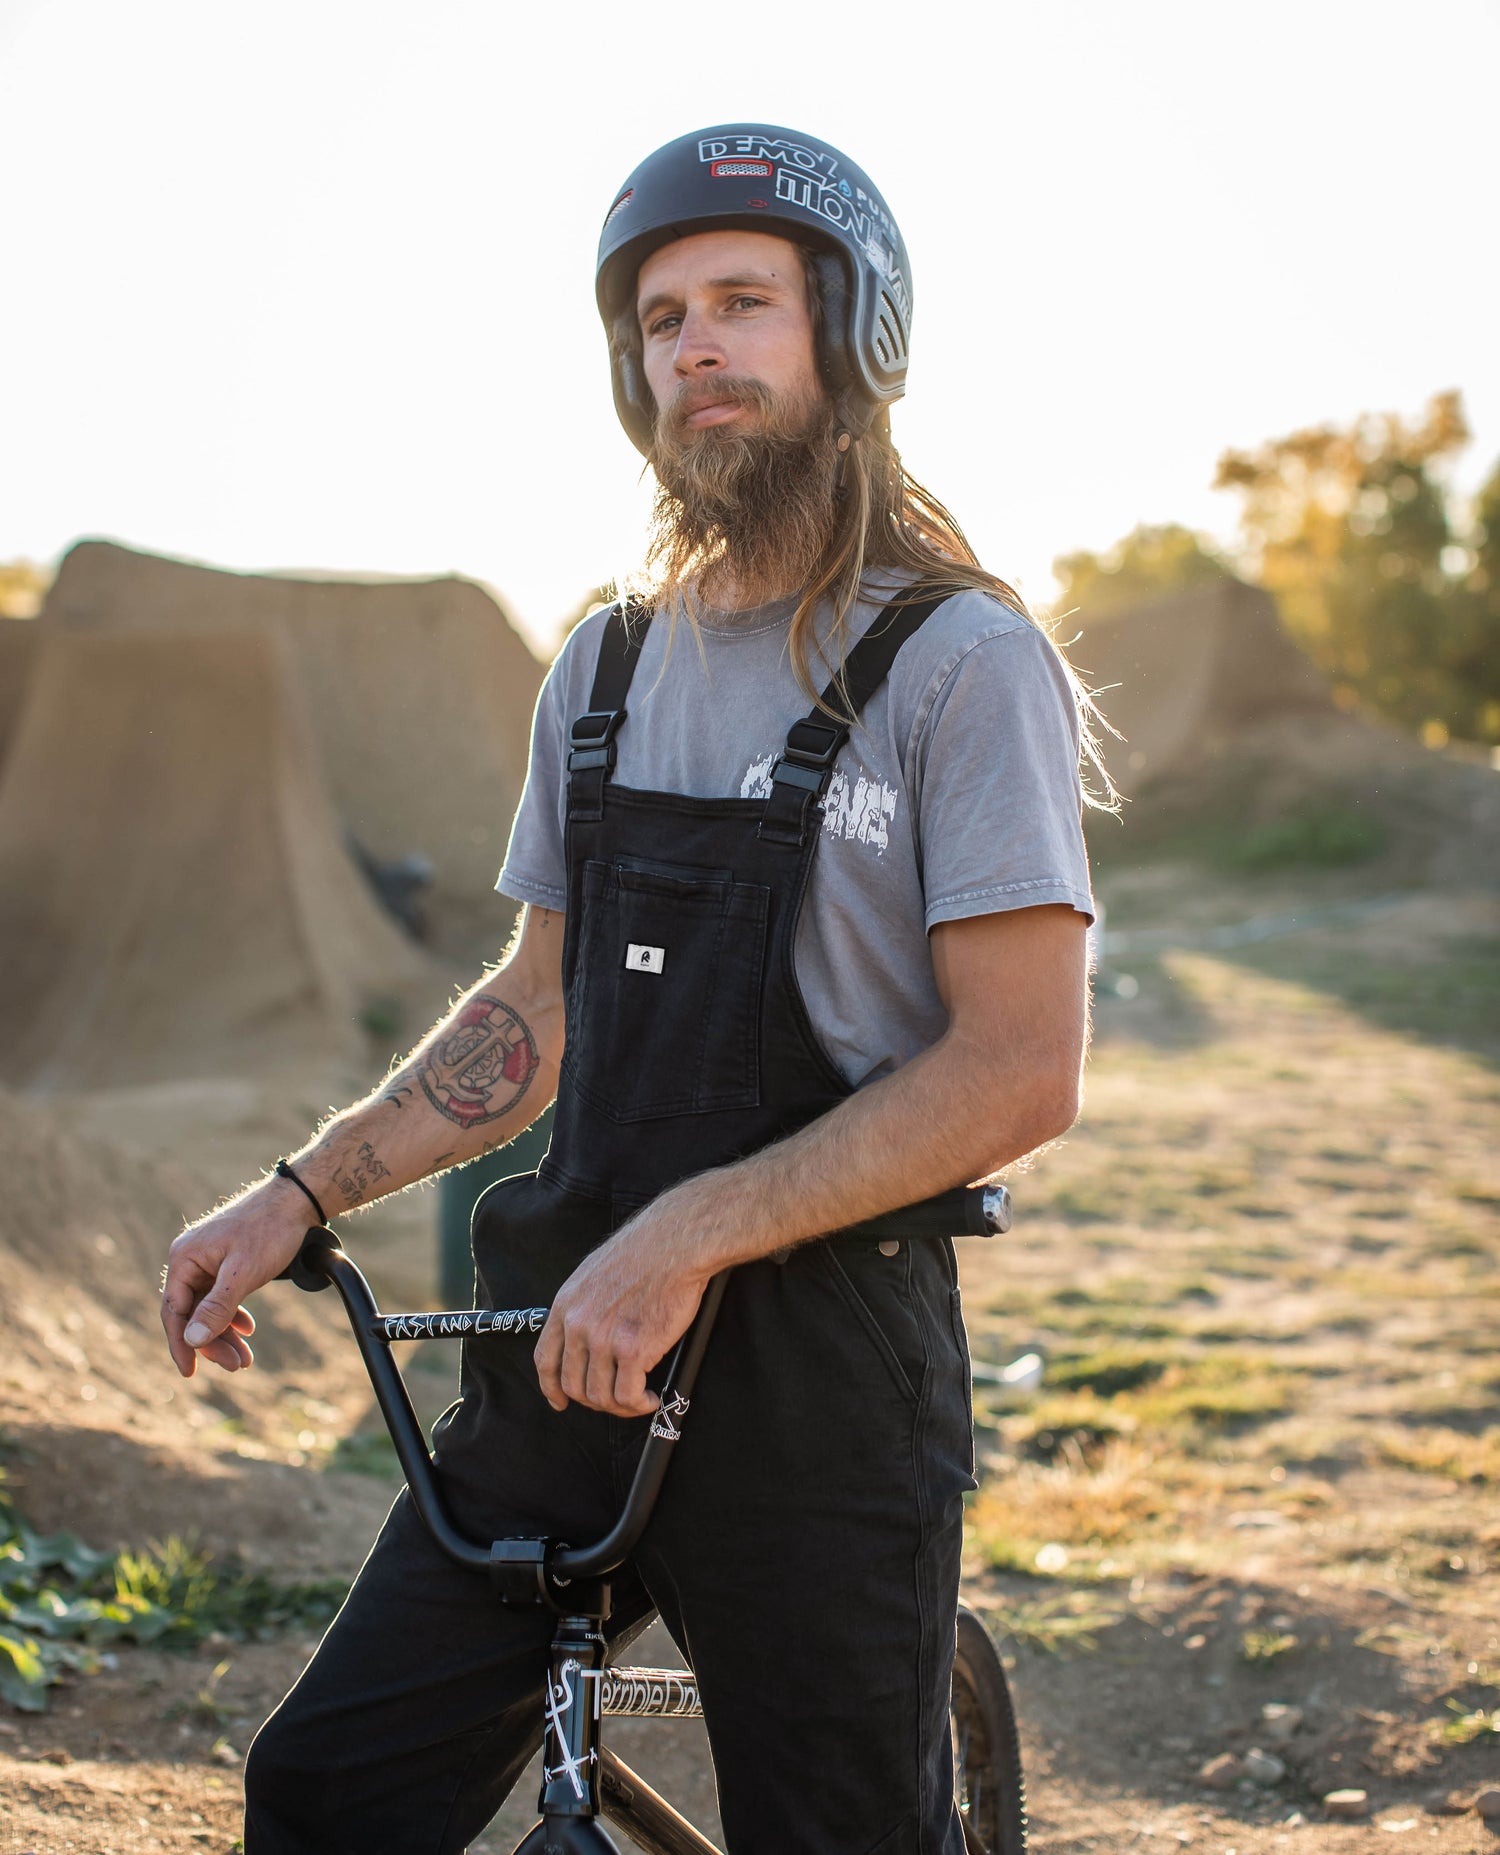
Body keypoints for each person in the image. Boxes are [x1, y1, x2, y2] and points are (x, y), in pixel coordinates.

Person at [160, 121, 1098, 1854]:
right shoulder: (600, 662)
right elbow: (536, 1009)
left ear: (852, 338)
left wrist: (691, 1238)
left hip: (821, 1383)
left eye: (743, 304)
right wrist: (301, 1193)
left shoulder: (963, 665)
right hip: (562, 1351)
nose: (697, 353)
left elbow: (1022, 1072)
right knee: (324, 1793)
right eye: (662, 322)